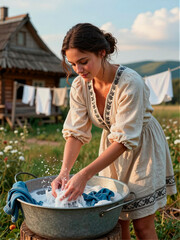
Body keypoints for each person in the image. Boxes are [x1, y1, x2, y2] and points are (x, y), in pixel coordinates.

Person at [51, 23, 177, 239]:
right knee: (115, 222)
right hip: (111, 148)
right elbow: (75, 132)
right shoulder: (80, 86)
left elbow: (126, 139)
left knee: (142, 225)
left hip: (142, 147)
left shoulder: (130, 83)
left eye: (83, 62)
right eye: (72, 64)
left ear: (102, 53)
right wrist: (65, 172)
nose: (78, 70)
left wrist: (84, 175)